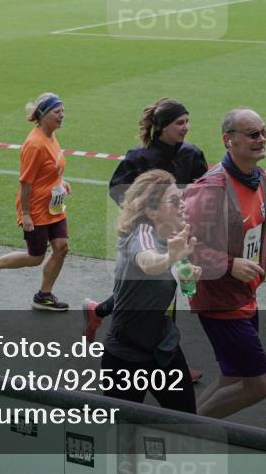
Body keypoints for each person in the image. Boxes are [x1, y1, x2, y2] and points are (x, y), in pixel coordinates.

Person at [85, 98, 209, 383]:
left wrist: (184, 216)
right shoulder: (139, 157)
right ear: (162, 127)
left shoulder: (192, 154)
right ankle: (169, 359)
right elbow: (117, 188)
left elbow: (203, 190)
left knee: (154, 290)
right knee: (153, 288)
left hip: (176, 230)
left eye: (188, 121)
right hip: (147, 236)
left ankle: (98, 311)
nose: (186, 128)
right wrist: (140, 216)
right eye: (180, 123)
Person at [183, 108, 266, 418]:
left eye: (263, 133)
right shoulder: (211, 189)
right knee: (259, 384)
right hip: (218, 299)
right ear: (228, 140)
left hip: (244, 294)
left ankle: (179, 423)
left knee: (233, 377)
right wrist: (229, 263)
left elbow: (253, 227)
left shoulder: (259, 178)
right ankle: (186, 430)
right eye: (252, 134)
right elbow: (184, 244)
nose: (261, 139)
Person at [101, 169, 200, 413]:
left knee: (187, 420)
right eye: (173, 200)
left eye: (181, 197)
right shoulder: (141, 234)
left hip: (164, 348)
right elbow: (148, 262)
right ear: (152, 211)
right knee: (122, 437)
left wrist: (188, 276)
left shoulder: (173, 237)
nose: (182, 204)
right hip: (126, 356)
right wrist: (170, 259)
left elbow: (185, 289)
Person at [0, 93, 71, 311]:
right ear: (44, 114)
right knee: (35, 257)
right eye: (58, 111)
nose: (62, 115)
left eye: (63, 110)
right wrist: (26, 213)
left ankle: (44, 295)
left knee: (61, 247)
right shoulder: (35, 144)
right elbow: (26, 182)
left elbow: (50, 168)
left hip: (54, 206)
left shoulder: (51, 136)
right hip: (36, 209)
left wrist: (61, 181)